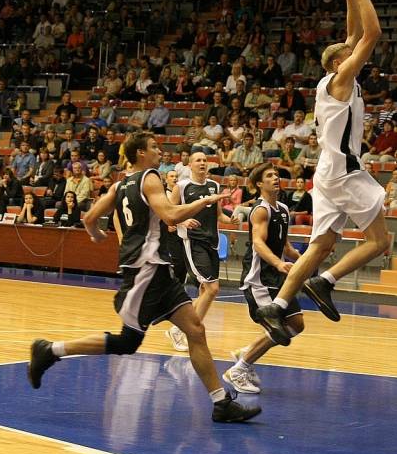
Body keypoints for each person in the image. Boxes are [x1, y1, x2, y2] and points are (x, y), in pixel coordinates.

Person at [26, 132, 260, 423]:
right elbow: (171, 215)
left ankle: (221, 402)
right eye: (153, 147)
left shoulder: (119, 184)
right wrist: (207, 200)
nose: (159, 151)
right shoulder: (150, 177)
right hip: (145, 271)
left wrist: (99, 235)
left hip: (157, 270)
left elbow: (89, 219)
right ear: (140, 154)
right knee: (127, 342)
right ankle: (49, 350)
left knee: (196, 331)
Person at [253, 0, 387, 346]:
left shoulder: (330, 80)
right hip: (343, 171)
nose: (354, 51)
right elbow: (372, 32)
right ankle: (325, 283)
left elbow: (355, 30)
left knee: (321, 245)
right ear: (336, 62)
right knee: (380, 242)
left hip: (327, 174)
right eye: (348, 52)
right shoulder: (341, 79)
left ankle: (276, 307)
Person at [222, 163, 304, 394]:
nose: (275, 178)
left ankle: (247, 352)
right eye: (269, 176)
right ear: (259, 184)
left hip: (278, 278)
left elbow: (285, 245)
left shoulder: (284, 209)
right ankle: (238, 369)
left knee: (297, 325)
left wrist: (302, 259)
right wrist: (278, 263)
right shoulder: (260, 210)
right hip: (260, 278)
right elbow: (258, 243)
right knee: (278, 329)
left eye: (276, 174)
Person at [164, 151, 235, 353]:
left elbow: (219, 214)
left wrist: (231, 220)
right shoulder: (182, 186)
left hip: (212, 241)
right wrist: (183, 220)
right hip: (193, 242)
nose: (203, 163)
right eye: (198, 160)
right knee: (212, 289)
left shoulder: (214, 186)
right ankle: (186, 331)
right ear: (190, 165)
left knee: (206, 291)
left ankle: (178, 329)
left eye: (205, 160)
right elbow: (169, 214)